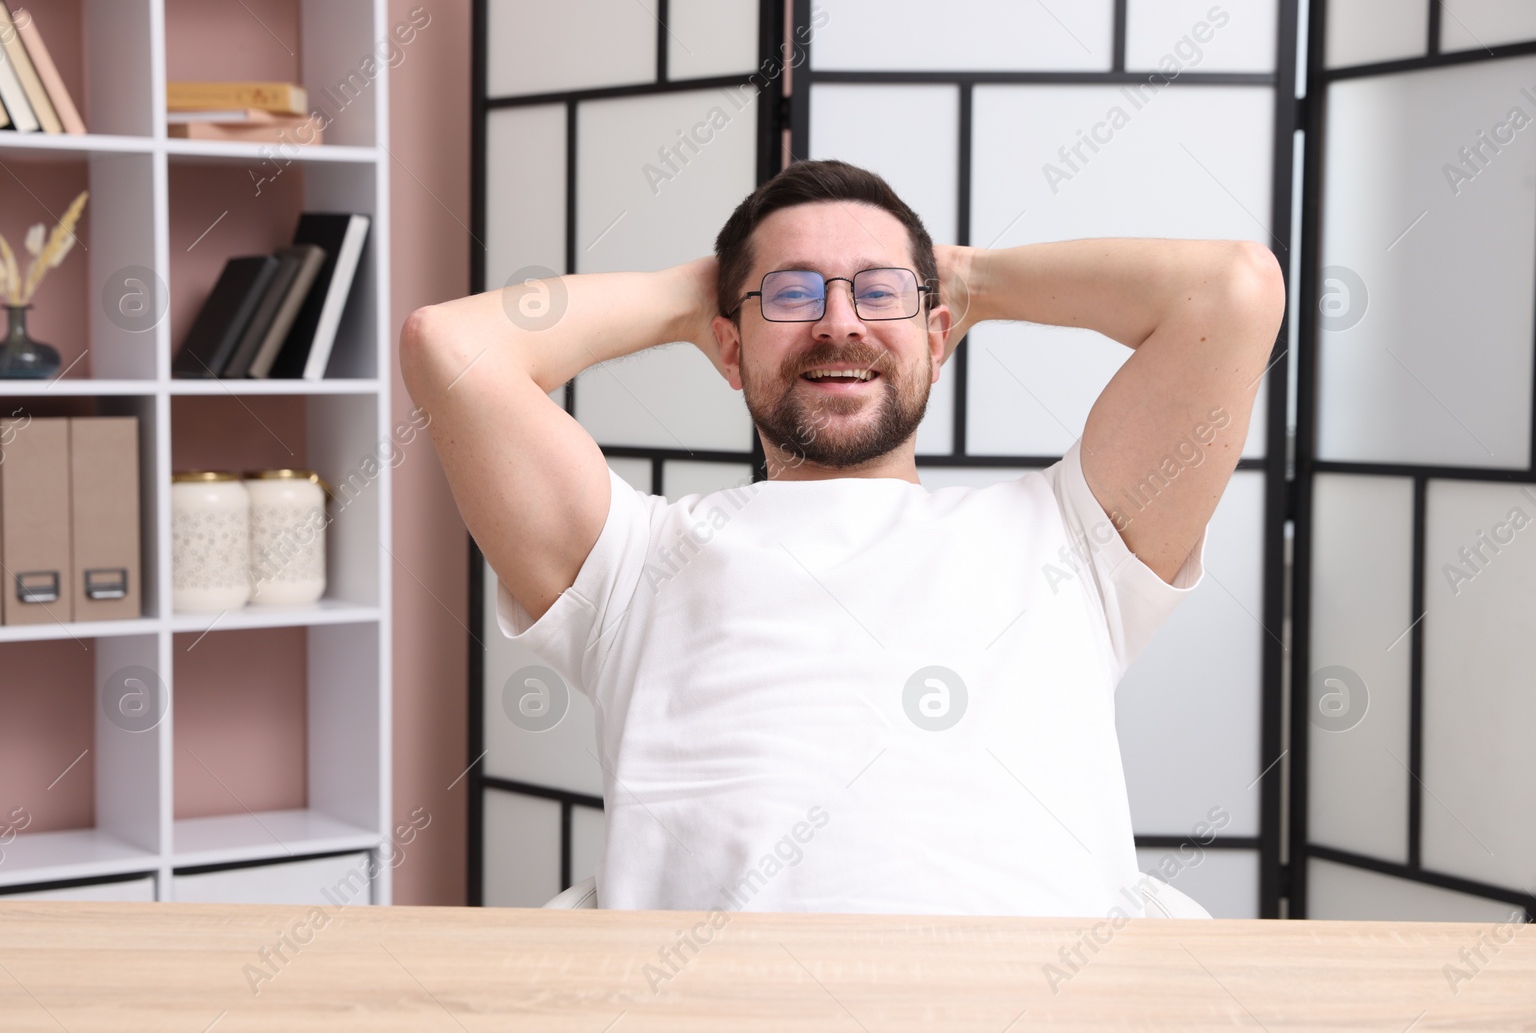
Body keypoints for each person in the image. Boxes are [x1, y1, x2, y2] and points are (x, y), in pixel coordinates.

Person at [400, 158, 1284, 916]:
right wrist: (689, 296)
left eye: (879, 291)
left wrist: (971, 276)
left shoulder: (1072, 533)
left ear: (940, 335)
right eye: (790, 293)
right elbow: (449, 344)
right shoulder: (637, 557)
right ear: (728, 347)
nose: (839, 321)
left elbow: (1234, 289)